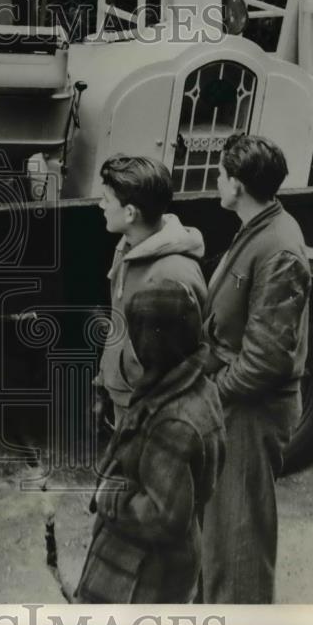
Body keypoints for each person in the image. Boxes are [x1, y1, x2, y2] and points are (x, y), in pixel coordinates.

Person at [199, 133, 311, 604]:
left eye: (222, 174)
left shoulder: (278, 247)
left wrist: (213, 392)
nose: (217, 182)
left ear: (238, 184)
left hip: (251, 411)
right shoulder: (258, 226)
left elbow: (266, 358)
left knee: (240, 537)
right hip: (238, 405)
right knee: (221, 533)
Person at [76, 281, 226, 603]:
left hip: (142, 577)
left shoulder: (173, 422)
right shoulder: (192, 385)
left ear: (152, 343)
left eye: (133, 335)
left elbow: (163, 516)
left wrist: (109, 495)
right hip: (155, 565)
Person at [94, 154, 208, 428]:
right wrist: (104, 382)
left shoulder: (170, 277)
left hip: (149, 415)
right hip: (125, 397)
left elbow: (175, 375)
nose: (101, 206)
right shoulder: (129, 247)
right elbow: (118, 321)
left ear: (130, 213)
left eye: (107, 200)